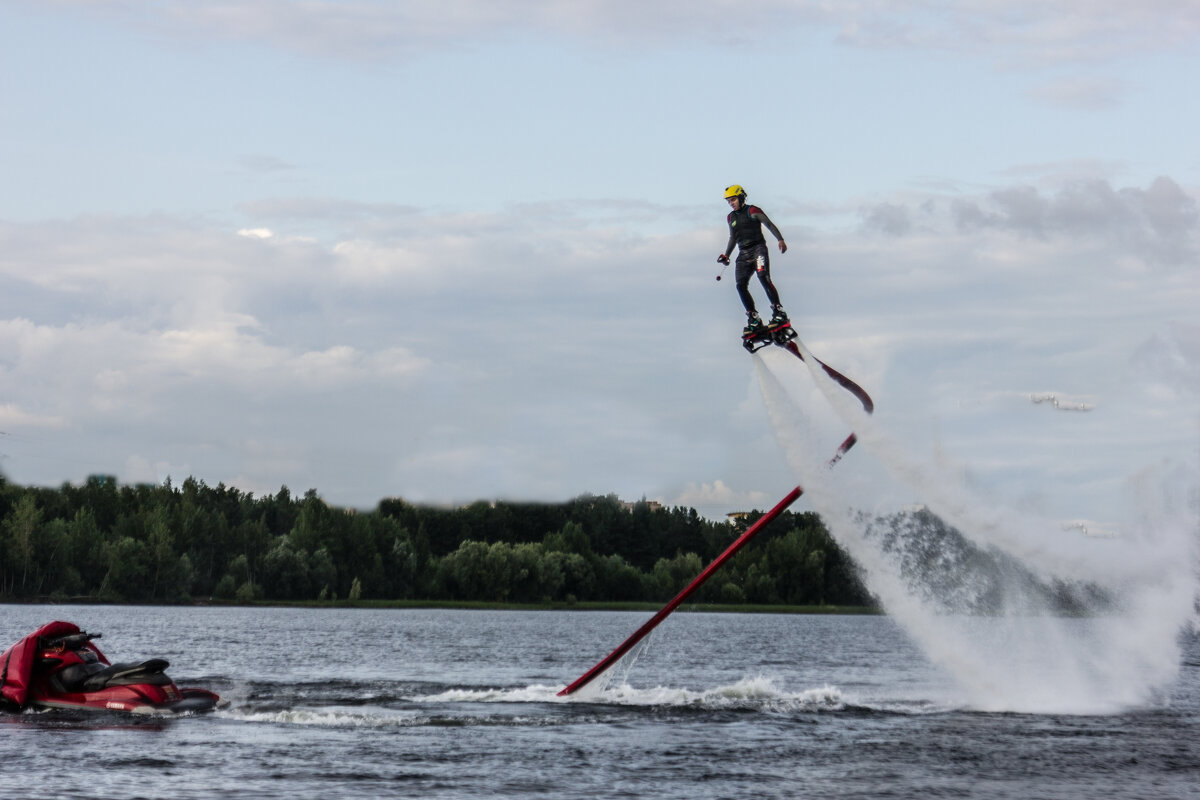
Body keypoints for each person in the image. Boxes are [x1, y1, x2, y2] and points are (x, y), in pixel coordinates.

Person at [717, 185, 789, 336]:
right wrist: (726, 255)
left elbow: (769, 224)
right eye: (729, 201)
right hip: (743, 254)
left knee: (763, 276)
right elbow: (733, 237)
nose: (731, 203)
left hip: (758, 249)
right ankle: (753, 318)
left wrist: (780, 239)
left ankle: (778, 311)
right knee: (740, 285)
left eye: (733, 200)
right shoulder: (731, 217)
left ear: (741, 197)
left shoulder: (753, 211)